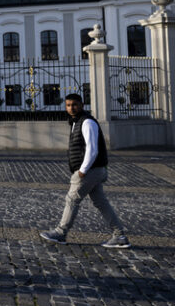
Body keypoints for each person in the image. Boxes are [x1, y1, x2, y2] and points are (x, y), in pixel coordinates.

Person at [40, 94, 130, 248]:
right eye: (68, 105)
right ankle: (119, 235)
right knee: (101, 202)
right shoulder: (76, 122)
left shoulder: (87, 122)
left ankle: (61, 233)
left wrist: (82, 170)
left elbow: (92, 149)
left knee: (72, 199)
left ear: (82, 104)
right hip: (94, 170)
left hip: (90, 170)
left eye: (74, 104)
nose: (71, 108)